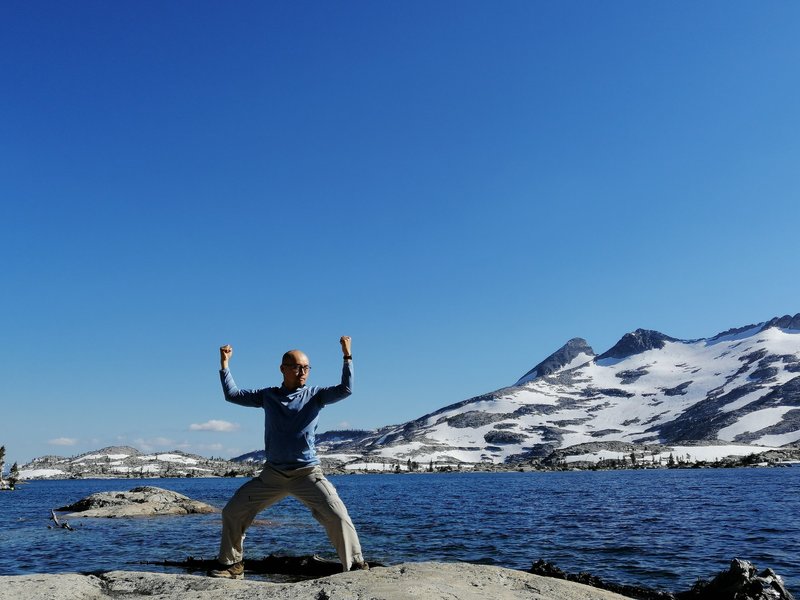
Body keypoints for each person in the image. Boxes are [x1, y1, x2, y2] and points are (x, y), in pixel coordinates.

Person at [209, 336, 368, 579]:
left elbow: (345, 389)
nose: (303, 372)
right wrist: (225, 364)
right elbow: (232, 394)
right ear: (283, 369)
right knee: (232, 511)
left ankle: (356, 567)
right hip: (272, 476)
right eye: (297, 367)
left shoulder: (315, 395)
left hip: (307, 474)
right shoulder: (268, 396)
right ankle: (232, 565)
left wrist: (347, 356)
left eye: (306, 367)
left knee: (338, 515)